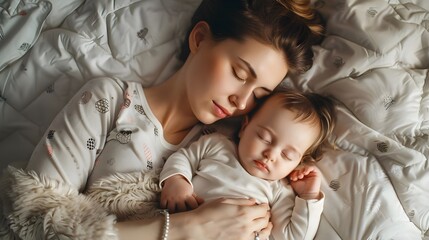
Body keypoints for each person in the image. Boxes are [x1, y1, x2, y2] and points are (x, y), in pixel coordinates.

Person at [0, 0, 325, 239]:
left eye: (259, 96)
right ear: (199, 39)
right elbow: (32, 217)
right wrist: (188, 227)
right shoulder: (111, 101)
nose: (241, 101)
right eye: (239, 73)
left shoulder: (239, 147)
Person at [160, 89, 336, 240]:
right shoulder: (216, 145)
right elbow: (183, 157)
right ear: (244, 127)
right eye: (264, 138)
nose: (271, 155)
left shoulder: (279, 190)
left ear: (298, 163)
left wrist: (309, 196)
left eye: (287, 155)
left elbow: (293, 236)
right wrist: (176, 180)